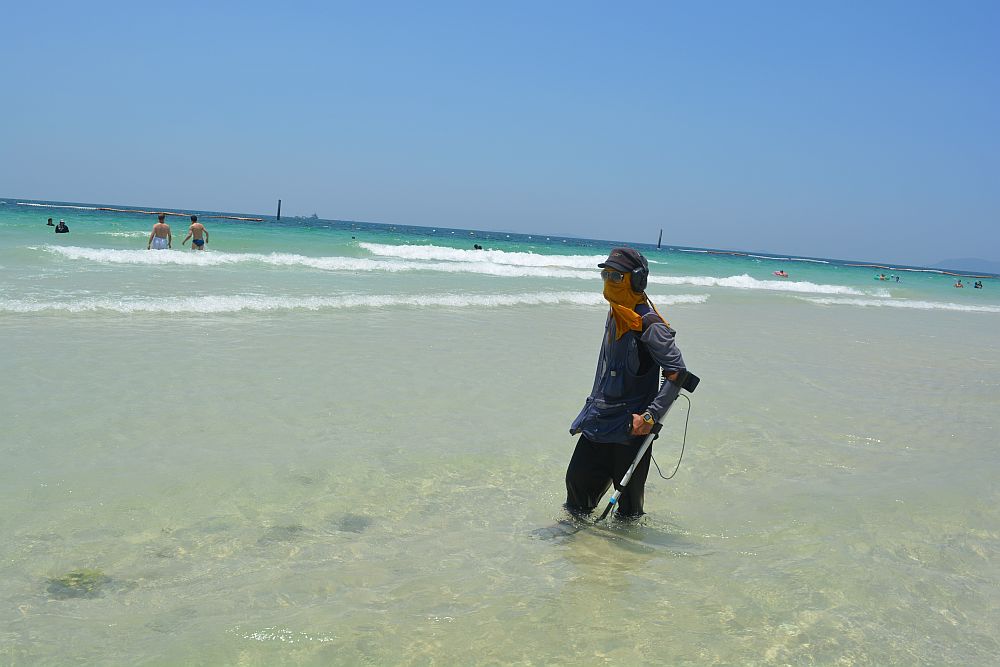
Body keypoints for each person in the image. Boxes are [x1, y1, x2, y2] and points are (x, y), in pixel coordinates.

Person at [565, 247, 687, 519]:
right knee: (576, 488)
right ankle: (575, 543)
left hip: (629, 429)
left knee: (628, 511)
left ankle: (626, 548)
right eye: (606, 275)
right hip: (598, 419)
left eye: (617, 277)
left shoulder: (650, 324)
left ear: (637, 280)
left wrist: (649, 416)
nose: (609, 282)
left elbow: (677, 372)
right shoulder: (616, 313)